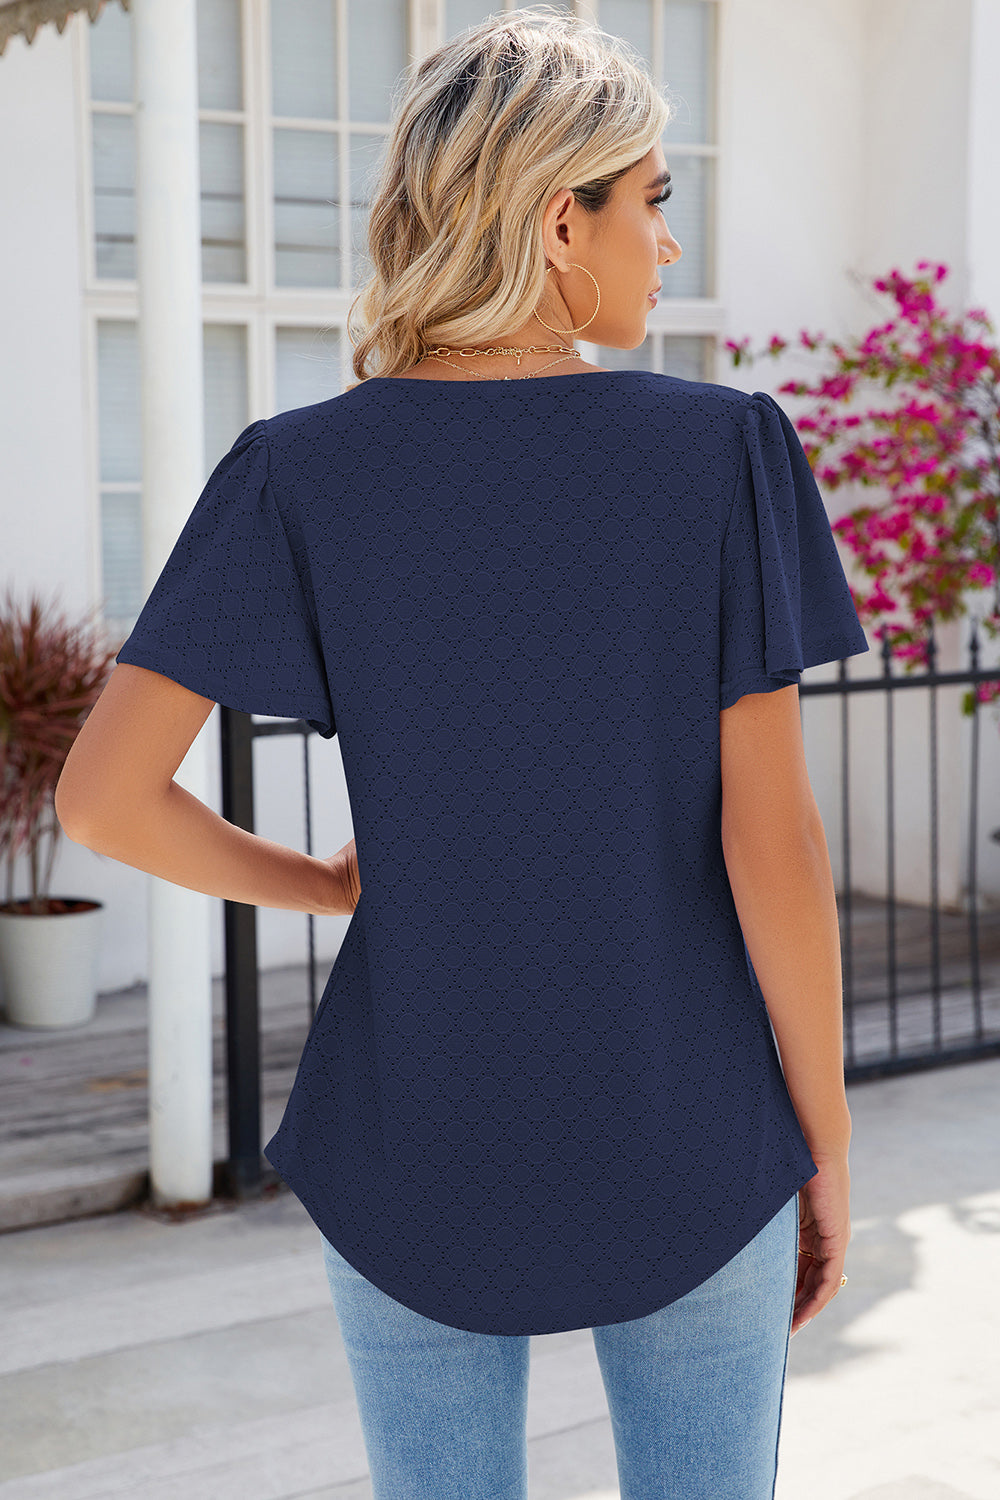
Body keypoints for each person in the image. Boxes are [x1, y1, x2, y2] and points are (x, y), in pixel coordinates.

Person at [55, 7, 869, 1498]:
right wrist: (821, 1140)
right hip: (689, 1119)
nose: (666, 245)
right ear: (562, 220)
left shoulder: (296, 469)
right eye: (653, 201)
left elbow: (103, 803)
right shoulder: (723, 452)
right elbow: (775, 846)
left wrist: (324, 886)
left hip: (411, 1126)